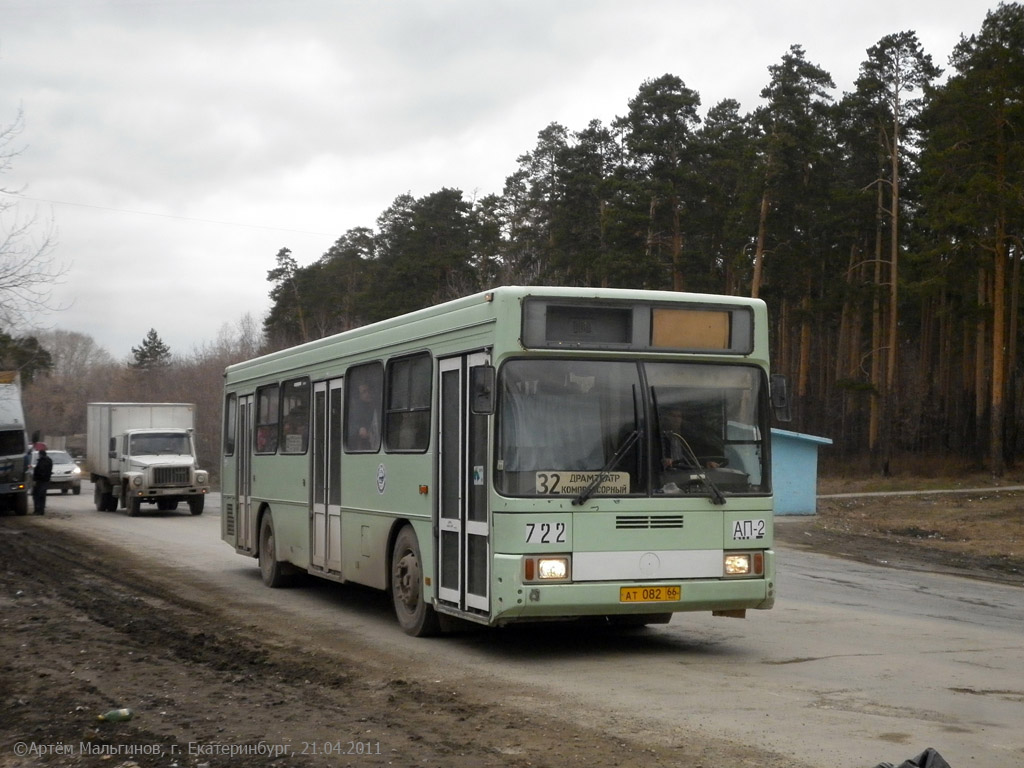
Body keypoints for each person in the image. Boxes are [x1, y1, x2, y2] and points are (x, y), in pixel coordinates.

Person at [32, 449, 53, 515]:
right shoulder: (49, 460)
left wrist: (36, 477)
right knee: (42, 496)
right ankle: (41, 510)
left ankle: (38, 510)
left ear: (40, 454)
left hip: (41, 481)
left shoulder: (42, 461)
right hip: (45, 480)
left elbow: (41, 471)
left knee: (38, 495)